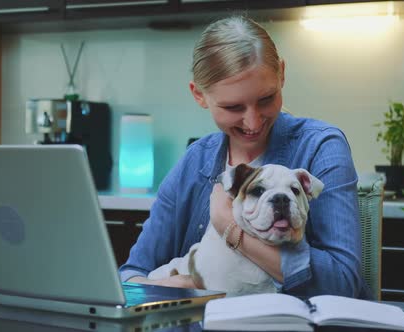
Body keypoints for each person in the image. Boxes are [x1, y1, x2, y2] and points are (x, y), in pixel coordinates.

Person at [119, 16, 367, 299]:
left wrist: (230, 228)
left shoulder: (321, 146)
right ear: (199, 95)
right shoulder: (195, 161)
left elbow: (343, 283)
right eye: (233, 107)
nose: (253, 122)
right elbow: (132, 273)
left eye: (266, 99)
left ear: (281, 74)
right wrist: (174, 288)